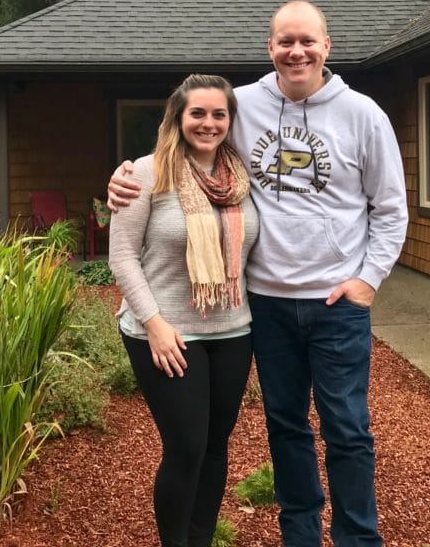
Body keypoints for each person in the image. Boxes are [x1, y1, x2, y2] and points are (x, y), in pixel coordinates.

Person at [109, 0, 408, 547]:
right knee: (286, 428)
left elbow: (390, 208)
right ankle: (299, 536)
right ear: (269, 48)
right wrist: (123, 176)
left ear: (327, 47)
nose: (297, 51)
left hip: (336, 302)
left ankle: (357, 539)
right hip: (264, 304)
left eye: (307, 41)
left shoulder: (363, 115)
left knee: (347, 430)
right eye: (285, 42)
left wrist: (369, 278)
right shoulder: (240, 106)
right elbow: (181, 142)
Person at [109, 73, 260, 547]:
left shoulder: (240, 178)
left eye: (219, 114)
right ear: (178, 117)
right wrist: (153, 324)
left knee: (215, 448)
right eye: (198, 113)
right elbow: (122, 256)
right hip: (167, 333)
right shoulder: (145, 174)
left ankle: (201, 539)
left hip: (233, 329)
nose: (208, 123)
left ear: (230, 121)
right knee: (187, 447)